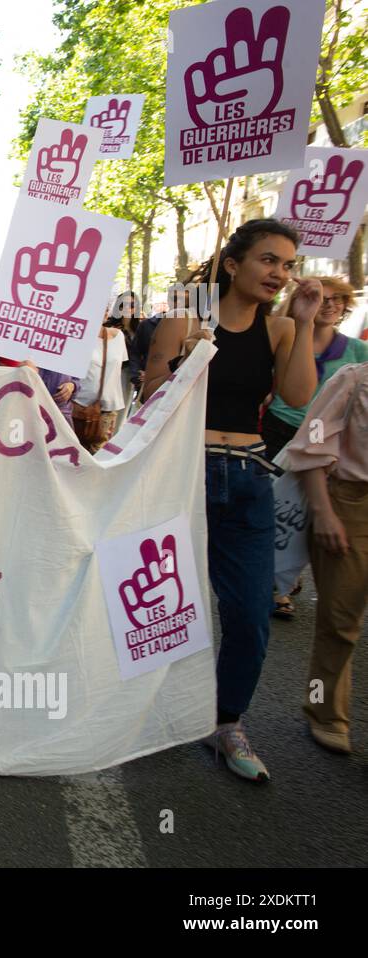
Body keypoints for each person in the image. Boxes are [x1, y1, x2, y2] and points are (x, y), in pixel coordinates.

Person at [142, 218, 320, 782]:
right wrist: (185, 362)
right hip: (183, 474)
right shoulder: (185, 317)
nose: (280, 273)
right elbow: (149, 395)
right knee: (162, 607)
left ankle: (226, 722)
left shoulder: (281, 330)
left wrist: (306, 321)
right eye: (269, 260)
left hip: (248, 481)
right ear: (234, 264)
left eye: (288, 265)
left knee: (249, 614)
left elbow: (298, 396)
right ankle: (142, 710)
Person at [263, 277, 367, 620]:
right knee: (279, 505)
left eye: (338, 299)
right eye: (323, 298)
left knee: (314, 508)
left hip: (325, 439)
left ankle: (288, 573)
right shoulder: (287, 335)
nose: (330, 304)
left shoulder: (357, 351)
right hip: (283, 428)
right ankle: (276, 583)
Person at [282, 361, 368, 754]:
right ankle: (323, 709)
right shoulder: (353, 380)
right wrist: (324, 512)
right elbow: (312, 444)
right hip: (351, 506)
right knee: (338, 623)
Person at [72, 317, 129, 452]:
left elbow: (119, 365)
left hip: (108, 407)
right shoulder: (76, 334)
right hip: (78, 405)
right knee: (73, 452)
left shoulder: (118, 336)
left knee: (98, 454)